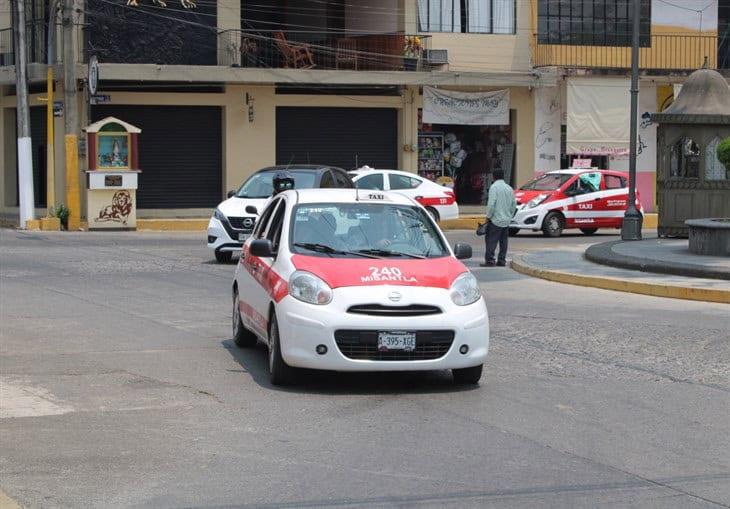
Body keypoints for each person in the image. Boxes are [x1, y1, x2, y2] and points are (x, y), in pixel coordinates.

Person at [480, 169, 517, 267]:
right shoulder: (509, 188)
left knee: (491, 241)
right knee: (503, 241)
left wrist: (488, 217)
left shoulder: (494, 187)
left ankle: (490, 261)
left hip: (495, 220)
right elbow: (514, 204)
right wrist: (509, 216)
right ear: (503, 176)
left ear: (494, 176)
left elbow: (491, 204)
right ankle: (501, 260)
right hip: (506, 220)